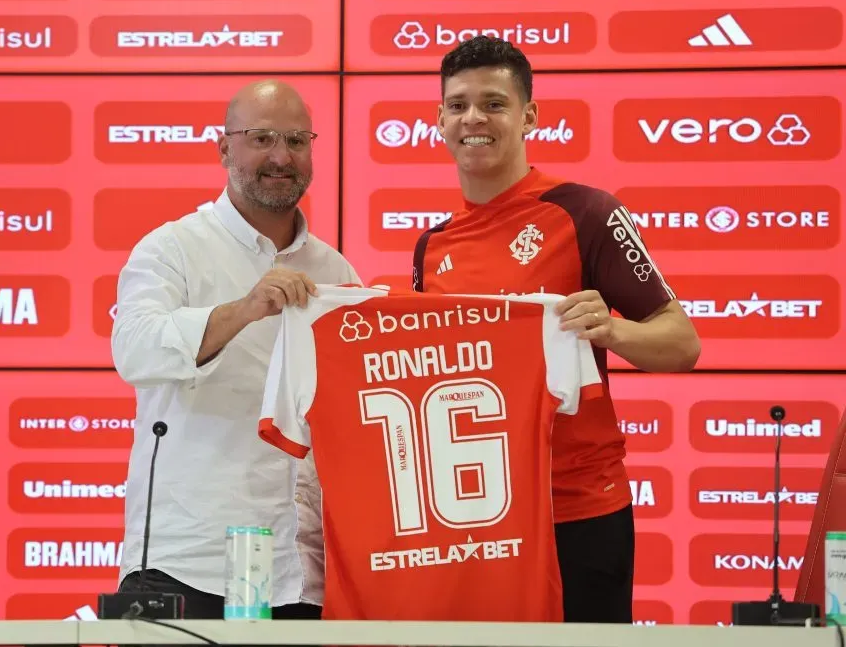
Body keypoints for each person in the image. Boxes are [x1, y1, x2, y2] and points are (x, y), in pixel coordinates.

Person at [411, 36, 701, 623]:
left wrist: (611, 333)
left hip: (578, 512)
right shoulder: (431, 245)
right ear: (440, 118)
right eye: (458, 104)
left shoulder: (586, 212)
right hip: (474, 521)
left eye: (494, 103)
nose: (474, 118)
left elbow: (682, 342)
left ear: (529, 116)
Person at [111, 79, 360, 619]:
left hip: (302, 569)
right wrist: (245, 309)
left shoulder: (334, 271)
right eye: (262, 137)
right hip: (188, 560)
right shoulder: (172, 248)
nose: (281, 156)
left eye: (297, 141)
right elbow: (133, 349)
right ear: (224, 149)